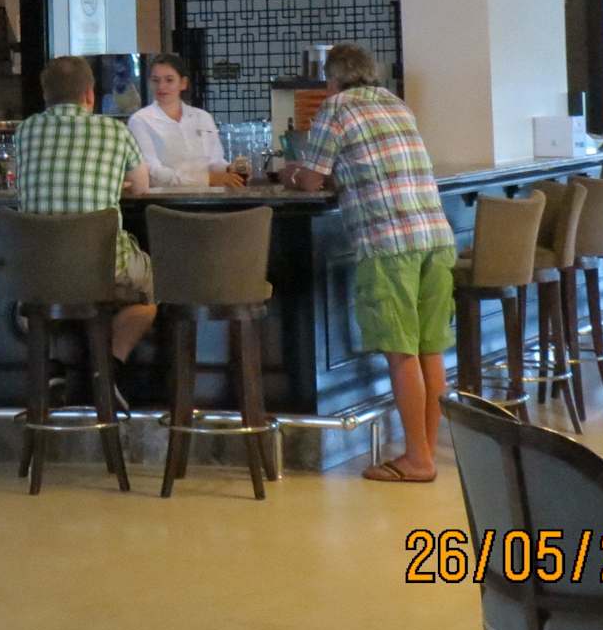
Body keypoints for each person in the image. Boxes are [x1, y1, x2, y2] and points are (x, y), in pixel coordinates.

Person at [284, 44, 455, 484]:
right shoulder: (396, 103)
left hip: (388, 241)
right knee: (430, 348)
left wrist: (290, 173)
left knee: (401, 351)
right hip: (436, 236)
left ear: (332, 79)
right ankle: (424, 452)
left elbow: (312, 180)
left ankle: (417, 460)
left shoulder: (335, 108)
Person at [11, 55, 155, 360]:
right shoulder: (115, 130)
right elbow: (142, 186)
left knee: (49, 300)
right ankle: (108, 366)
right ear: (89, 94)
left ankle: (58, 369)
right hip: (104, 269)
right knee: (156, 289)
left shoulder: (24, 131)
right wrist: (111, 181)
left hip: (38, 273)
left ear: (45, 94)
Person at [128, 53, 248, 190]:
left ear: (183, 83)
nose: (161, 86)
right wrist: (207, 179)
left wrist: (230, 169)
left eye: (169, 80)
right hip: (165, 199)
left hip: (211, 197)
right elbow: (152, 172)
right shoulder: (140, 120)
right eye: (156, 80)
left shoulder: (202, 117)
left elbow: (215, 161)